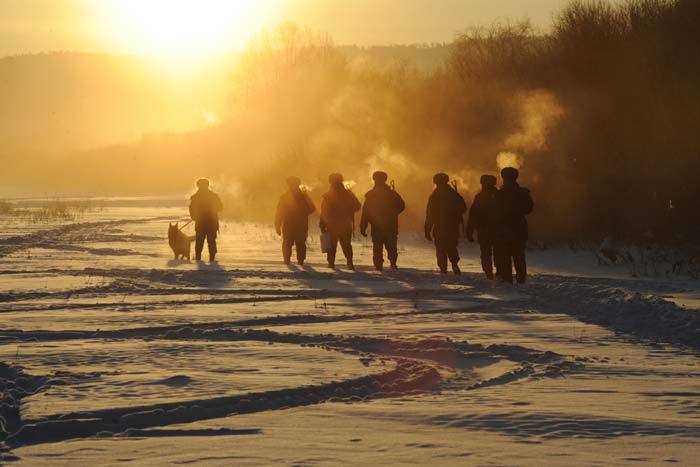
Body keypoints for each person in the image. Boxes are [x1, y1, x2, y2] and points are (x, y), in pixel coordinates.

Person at [360, 171, 406, 271]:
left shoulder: (371, 195)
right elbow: (401, 206)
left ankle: (379, 266)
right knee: (391, 246)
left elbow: (365, 212)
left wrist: (363, 226)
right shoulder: (392, 194)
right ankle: (392, 264)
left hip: (379, 226)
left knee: (378, 247)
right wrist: (394, 212)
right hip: (390, 225)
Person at [495, 167, 534, 284]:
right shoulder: (523, 192)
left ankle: (507, 280)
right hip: (518, 228)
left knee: (505, 256)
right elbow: (529, 208)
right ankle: (520, 279)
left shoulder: (500, 194)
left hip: (504, 230)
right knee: (519, 256)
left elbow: (493, 212)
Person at [424, 173, 467, 274]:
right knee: (451, 246)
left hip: (439, 226)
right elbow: (463, 208)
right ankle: (455, 265)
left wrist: (427, 229)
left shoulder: (434, 196)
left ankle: (443, 269)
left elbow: (430, 214)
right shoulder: (453, 194)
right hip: (452, 226)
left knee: (440, 247)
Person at [320, 173, 361, 270]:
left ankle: (331, 264)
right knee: (346, 244)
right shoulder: (348, 193)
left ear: (330, 182)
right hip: (345, 224)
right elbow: (357, 206)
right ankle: (349, 263)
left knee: (331, 246)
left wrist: (322, 224)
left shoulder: (328, 195)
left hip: (332, 224)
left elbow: (324, 211)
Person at [275, 176, 316, 265]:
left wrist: (277, 225)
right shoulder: (303, 196)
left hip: (291, 224)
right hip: (299, 224)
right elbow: (312, 209)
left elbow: (279, 213)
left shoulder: (286, 197)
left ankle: (288, 261)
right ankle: (298, 261)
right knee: (298, 243)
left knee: (289, 243)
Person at [466, 174, 499, 279]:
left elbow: (473, 215)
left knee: (486, 253)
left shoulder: (480, 197)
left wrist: (469, 231)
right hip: (498, 230)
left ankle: (489, 273)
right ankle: (499, 273)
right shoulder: (500, 195)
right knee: (499, 252)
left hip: (485, 230)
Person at [189, 178, 223, 262]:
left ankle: (200, 259)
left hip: (204, 223)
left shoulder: (195, 197)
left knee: (200, 242)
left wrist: (194, 216)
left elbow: (191, 209)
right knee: (210, 242)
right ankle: (211, 260)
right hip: (210, 224)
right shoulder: (213, 196)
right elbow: (220, 207)